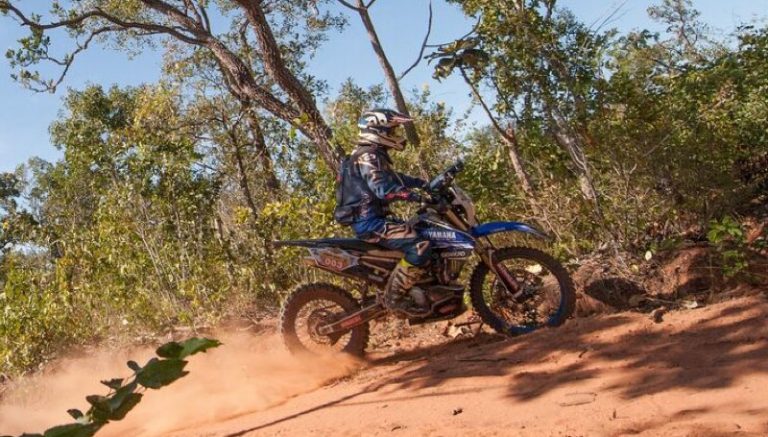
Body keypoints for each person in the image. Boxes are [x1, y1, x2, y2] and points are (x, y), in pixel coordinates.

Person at [334, 108, 433, 315]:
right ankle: (394, 297)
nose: (396, 135)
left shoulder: (370, 155)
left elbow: (396, 179)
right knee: (420, 246)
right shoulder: (368, 156)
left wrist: (423, 184)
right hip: (370, 222)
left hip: (371, 220)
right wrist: (413, 196)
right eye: (392, 131)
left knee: (422, 228)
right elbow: (382, 189)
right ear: (378, 131)